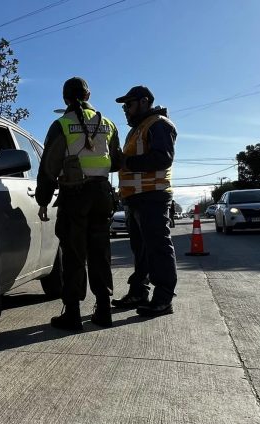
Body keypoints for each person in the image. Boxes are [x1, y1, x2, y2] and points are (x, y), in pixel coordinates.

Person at [37, 77, 123, 330]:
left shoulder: (62, 124)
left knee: (74, 256)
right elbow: (116, 161)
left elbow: (49, 166)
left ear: (65, 98)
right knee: (100, 254)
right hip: (102, 195)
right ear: (88, 94)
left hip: (74, 197)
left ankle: (72, 314)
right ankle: (104, 310)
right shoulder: (107, 123)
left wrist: (43, 200)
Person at [111, 85, 178, 317]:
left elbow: (163, 158)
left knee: (158, 248)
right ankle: (139, 292)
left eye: (129, 104)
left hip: (152, 197)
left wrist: (127, 163)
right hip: (135, 199)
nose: (125, 109)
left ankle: (163, 299)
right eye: (124, 106)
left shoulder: (158, 124)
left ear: (144, 101)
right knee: (141, 251)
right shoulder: (137, 129)